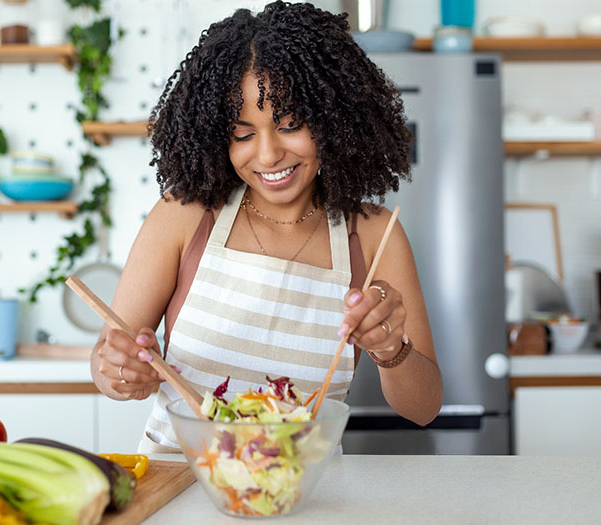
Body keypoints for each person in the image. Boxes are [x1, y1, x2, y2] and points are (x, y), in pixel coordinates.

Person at [89, 0, 443, 453]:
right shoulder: (186, 214)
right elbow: (107, 359)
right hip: (178, 487)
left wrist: (391, 348)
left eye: (291, 124)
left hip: (303, 493)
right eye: (243, 134)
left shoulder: (375, 235)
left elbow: (424, 407)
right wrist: (120, 371)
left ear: (335, 118)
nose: (269, 154)